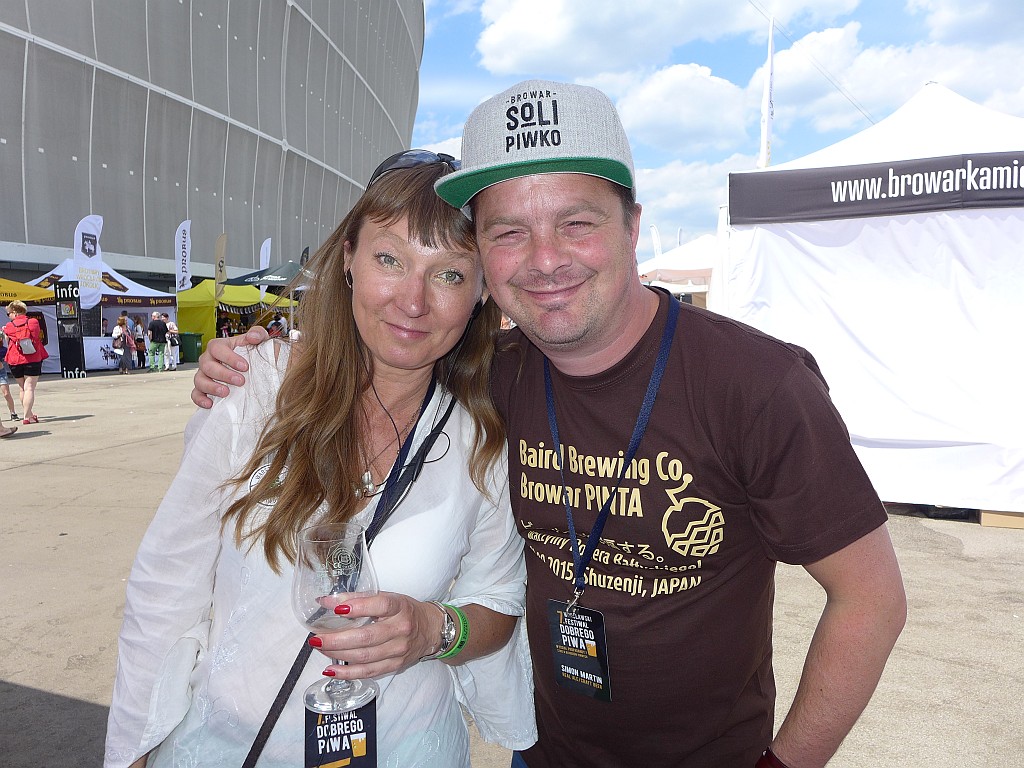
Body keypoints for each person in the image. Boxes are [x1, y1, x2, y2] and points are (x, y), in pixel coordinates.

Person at [193, 80, 907, 768]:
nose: (545, 260)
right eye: (509, 232)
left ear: (632, 226)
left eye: (577, 223)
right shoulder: (487, 380)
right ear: (483, 257)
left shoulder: (756, 385)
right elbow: (383, 351)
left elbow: (870, 599)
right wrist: (264, 361)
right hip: (540, 754)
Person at [105, 156, 535, 768]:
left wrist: (433, 630)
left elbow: (499, 600)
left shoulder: (482, 439)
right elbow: (166, 585)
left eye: (448, 274)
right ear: (349, 259)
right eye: (390, 259)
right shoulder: (253, 389)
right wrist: (133, 751)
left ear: (483, 291)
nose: (413, 301)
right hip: (230, 746)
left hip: (408, 749)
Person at [3, 300, 48, 425]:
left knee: (22, 388)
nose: (9, 316)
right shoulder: (33, 322)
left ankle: (29, 414)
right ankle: (27, 416)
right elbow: (36, 337)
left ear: (15, 312)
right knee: (29, 388)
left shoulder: (9, 326)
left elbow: (7, 341)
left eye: (9, 313)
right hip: (32, 358)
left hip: (14, 360)